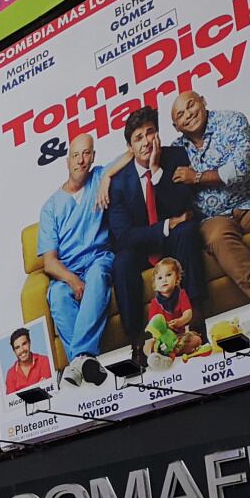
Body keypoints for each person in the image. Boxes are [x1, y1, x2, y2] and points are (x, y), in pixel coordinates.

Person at [168, 91, 250, 327]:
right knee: (218, 237)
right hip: (212, 217)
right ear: (176, 126)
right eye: (180, 115)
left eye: (191, 105)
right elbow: (141, 155)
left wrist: (196, 177)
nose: (188, 115)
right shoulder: (176, 151)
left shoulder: (232, 121)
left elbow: (238, 169)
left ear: (203, 101)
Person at [106, 106, 208, 346]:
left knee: (187, 230)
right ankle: (137, 342)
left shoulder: (175, 157)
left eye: (150, 132)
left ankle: (195, 325)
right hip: (142, 247)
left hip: (173, 242)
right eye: (138, 138)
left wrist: (156, 171)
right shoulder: (118, 183)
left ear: (158, 134)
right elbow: (124, 236)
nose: (146, 142)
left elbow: (182, 203)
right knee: (122, 262)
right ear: (130, 148)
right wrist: (166, 224)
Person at [35, 133, 115, 385]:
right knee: (57, 295)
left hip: (97, 259)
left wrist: (107, 179)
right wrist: (71, 280)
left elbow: (129, 156)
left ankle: (77, 360)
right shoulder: (50, 207)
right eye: (75, 155)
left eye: (87, 154)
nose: (81, 160)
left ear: (93, 157)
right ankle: (87, 363)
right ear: (67, 161)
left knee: (99, 277)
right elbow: (49, 262)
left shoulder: (99, 177)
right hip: (67, 269)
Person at [3, 327, 54, 395]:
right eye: (17, 347)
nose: (22, 350)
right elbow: (12, 402)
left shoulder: (44, 361)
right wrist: (38, 386)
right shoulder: (10, 374)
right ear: (14, 351)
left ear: (29, 343)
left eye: (24, 344)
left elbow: (49, 389)